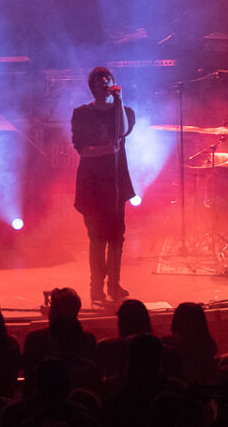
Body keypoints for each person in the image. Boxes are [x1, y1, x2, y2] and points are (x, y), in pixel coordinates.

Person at [71, 66, 135, 304]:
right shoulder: (82, 114)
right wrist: (105, 150)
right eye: (99, 80)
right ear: (92, 87)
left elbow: (121, 132)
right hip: (92, 186)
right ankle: (96, 288)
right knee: (97, 238)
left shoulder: (125, 110)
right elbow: (81, 149)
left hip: (116, 183)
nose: (104, 82)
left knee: (117, 238)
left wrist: (118, 100)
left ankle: (114, 285)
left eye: (107, 79)